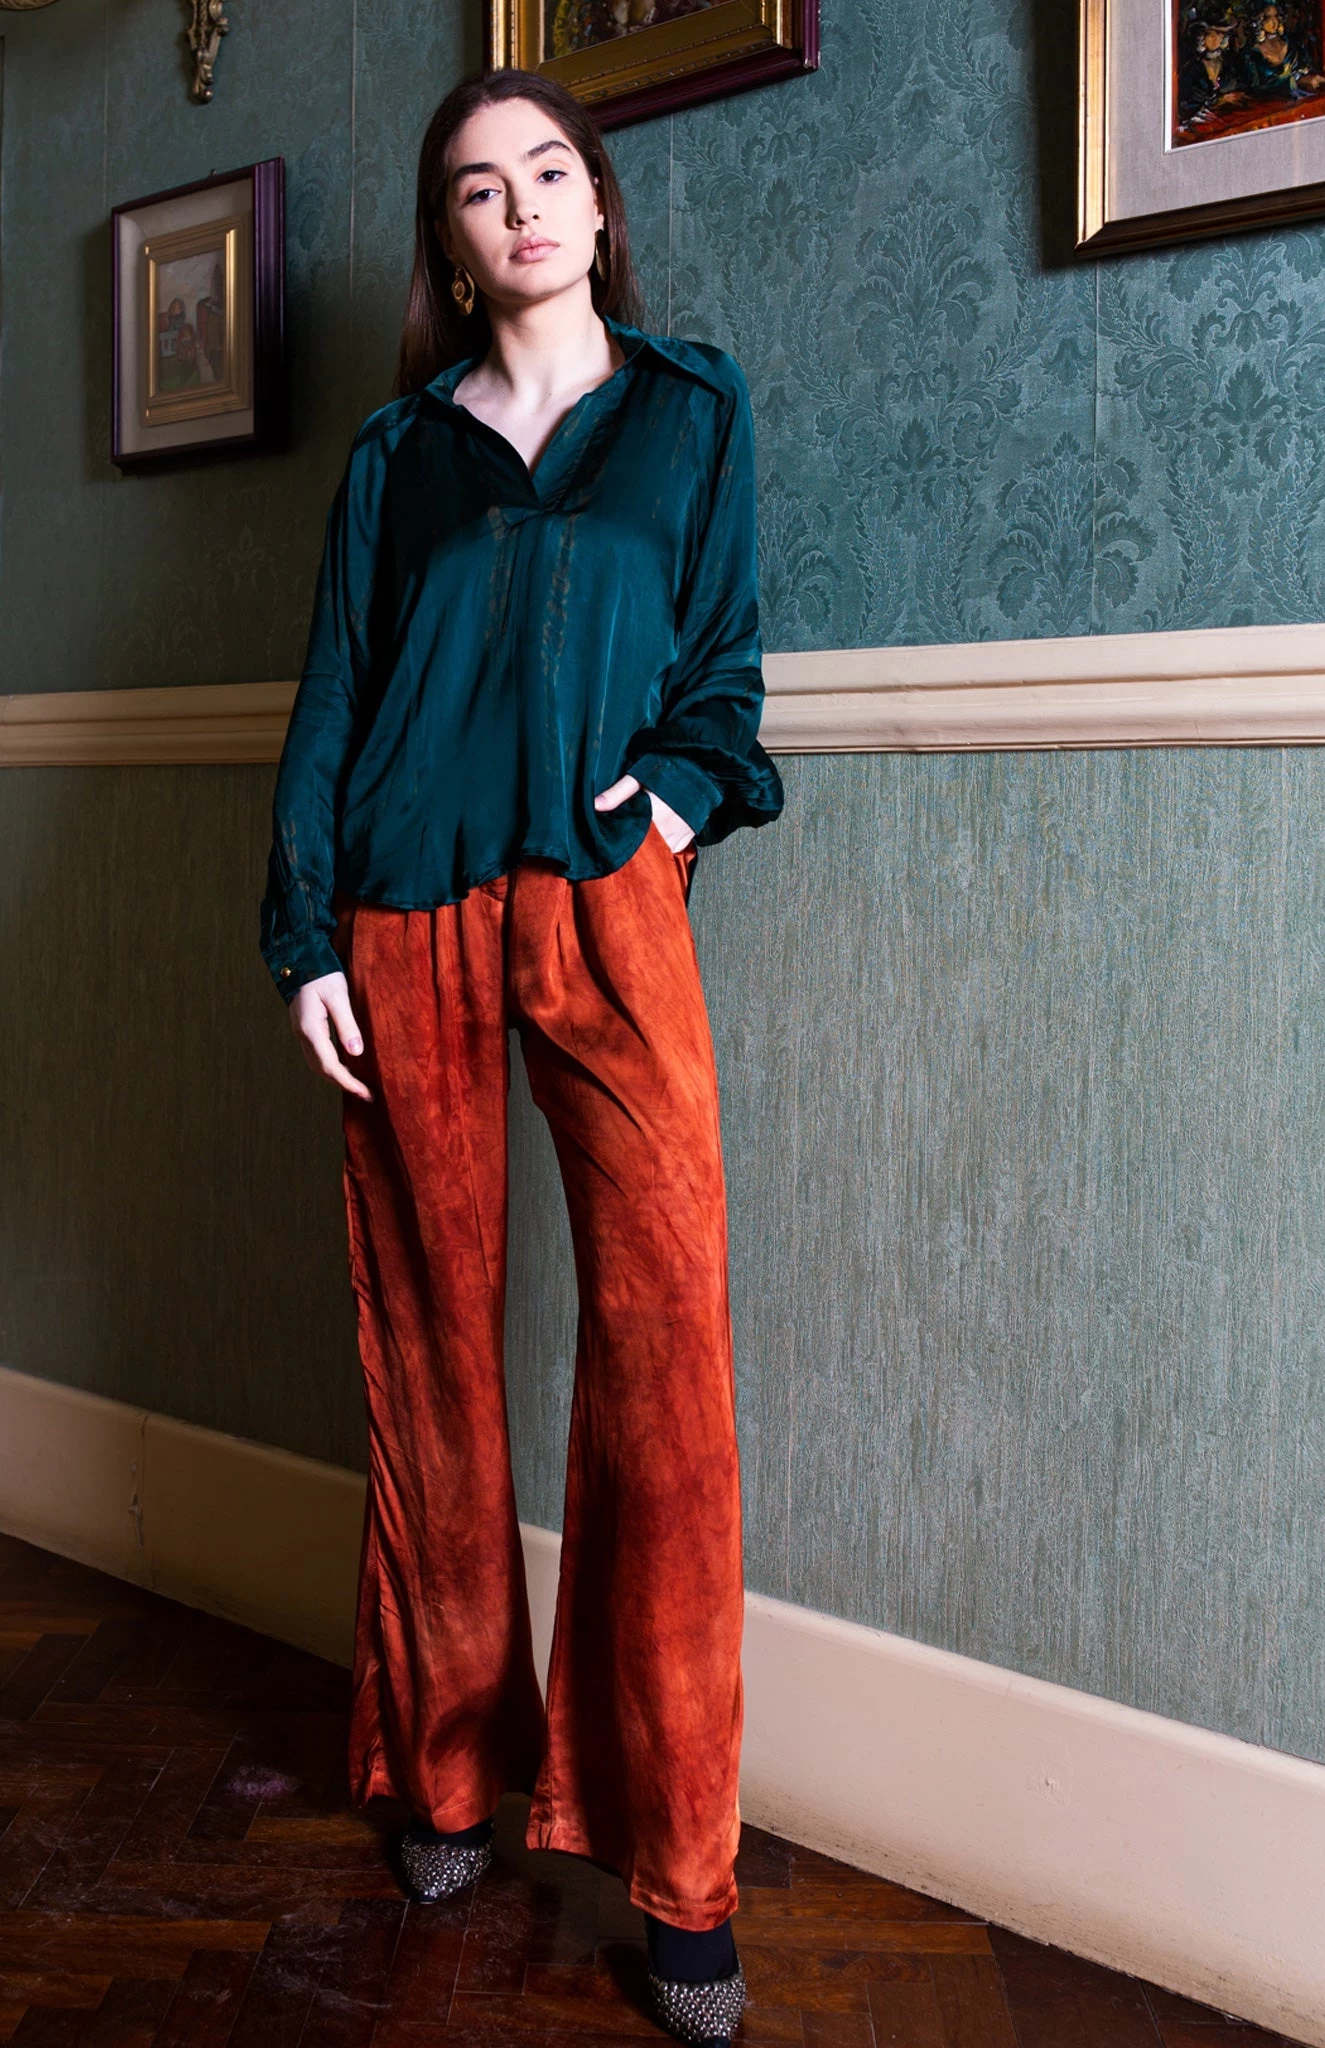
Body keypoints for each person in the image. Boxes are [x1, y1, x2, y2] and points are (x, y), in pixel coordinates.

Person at [257, 64, 783, 2047]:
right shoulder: (398, 457)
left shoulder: (695, 410)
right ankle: (449, 1775)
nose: (523, 207)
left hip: (605, 906)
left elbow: (723, 666)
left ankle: (683, 1875)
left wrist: (674, 804)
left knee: (668, 1368)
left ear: (598, 199)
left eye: (549, 170)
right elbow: (335, 693)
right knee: (433, 1357)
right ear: (451, 241)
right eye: (479, 189)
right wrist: (306, 932)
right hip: (403, 910)